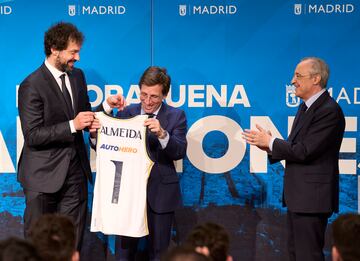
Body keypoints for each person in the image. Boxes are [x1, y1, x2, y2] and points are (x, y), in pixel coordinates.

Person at [243, 57, 345, 261]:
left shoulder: (328, 111)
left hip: (312, 200)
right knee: (296, 254)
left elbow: (305, 151)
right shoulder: (306, 107)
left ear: (316, 79)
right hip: (300, 198)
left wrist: (271, 142)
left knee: (308, 255)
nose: (292, 81)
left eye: (298, 75)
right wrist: (268, 146)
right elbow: (296, 148)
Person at [90, 66, 187, 260]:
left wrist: (162, 134)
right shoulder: (127, 112)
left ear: (165, 95)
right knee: (124, 254)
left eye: (154, 97)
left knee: (159, 253)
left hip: (160, 194)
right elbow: (107, 146)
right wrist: (94, 135)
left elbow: (179, 151)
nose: (148, 101)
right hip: (127, 195)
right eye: (143, 95)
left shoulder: (176, 116)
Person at [17, 22, 95, 250]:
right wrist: (72, 125)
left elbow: (84, 114)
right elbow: (33, 135)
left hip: (75, 176)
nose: (78, 58)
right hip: (43, 177)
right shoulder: (31, 85)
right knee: (39, 245)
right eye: (73, 52)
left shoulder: (77, 76)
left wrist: (107, 110)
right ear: (54, 49)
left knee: (71, 242)